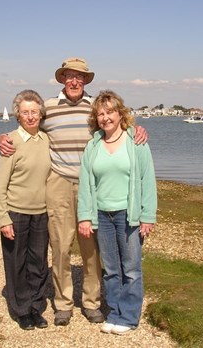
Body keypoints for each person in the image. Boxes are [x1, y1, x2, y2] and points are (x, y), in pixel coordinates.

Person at [0, 57, 148, 326]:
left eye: (79, 76)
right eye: (69, 76)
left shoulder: (95, 107)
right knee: (60, 247)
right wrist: (1, 138)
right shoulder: (49, 108)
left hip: (92, 185)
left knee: (91, 249)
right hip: (58, 183)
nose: (74, 81)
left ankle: (91, 302)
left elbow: (118, 124)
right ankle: (63, 303)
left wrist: (139, 130)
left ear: (86, 80)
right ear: (62, 79)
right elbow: (26, 128)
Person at [77, 90, 157, 335]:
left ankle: (130, 317)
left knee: (131, 269)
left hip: (128, 214)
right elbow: (85, 183)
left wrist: (147, 216)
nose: (105, 117)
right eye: (100, 114)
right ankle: (115, 312)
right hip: (102, 215)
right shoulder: (93, 145)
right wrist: (85, 216)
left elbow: (148, 180)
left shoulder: (137, 142)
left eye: (110, 112)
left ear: (120, 114)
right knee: (111, 269)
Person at [0, 89, 51, 331]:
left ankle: (36, 307)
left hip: (42, 213)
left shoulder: (47, 140)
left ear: (41, 114)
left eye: (34, 112)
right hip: (16, 212)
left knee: (38, 263)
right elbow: (0, 186)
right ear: (17, 115)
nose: (30, 116)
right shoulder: (10, 142)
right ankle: (21, 310)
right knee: (16, 263)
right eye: (25, 112)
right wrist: (3, 218)